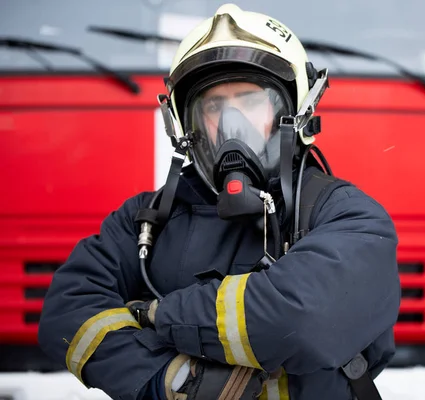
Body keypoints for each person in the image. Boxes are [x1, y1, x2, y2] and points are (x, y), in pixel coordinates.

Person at [38, 3, 401, 400]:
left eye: (249, 101)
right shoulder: (145, 221)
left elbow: (301, 317)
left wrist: (155, 314)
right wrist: (170, 380)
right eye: (214, 106)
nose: (231, 125)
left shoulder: (349, 217)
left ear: (295, 113)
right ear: (187, 125)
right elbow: (68, 309)